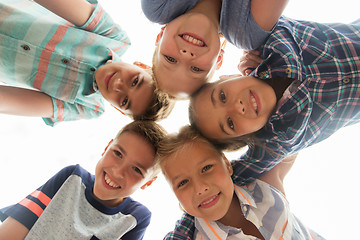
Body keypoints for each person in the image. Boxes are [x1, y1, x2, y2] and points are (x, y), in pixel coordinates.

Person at [189, 16, 360, 184]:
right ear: (247, 137)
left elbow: (251, 17)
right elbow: (224, 182)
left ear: (229, 76)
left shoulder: (268, 40)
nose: (237, 107)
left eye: (222, 96)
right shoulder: (278, 141)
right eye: (230, 123)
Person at [0, 0, 173, 127]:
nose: (118, 85)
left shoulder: (87, 108)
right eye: (135, 81)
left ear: (119, 110)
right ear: (142, 66)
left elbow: (9, 101)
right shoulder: (114, 38)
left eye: (124, 101)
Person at [0, 120, 167, 239]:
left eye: (137, 170)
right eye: (117, 153)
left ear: (148, 182)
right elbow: (12, 231)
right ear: (106, 147)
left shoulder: (135, 218)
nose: (117, 172)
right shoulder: (72, 177)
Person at [158, 125, 325, 239]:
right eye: (182, 183)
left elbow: (295, 135)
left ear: (227, 164)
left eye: (206, 168)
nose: (201, 188)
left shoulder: (264, 186)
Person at [141, 0, 289, 98]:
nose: (186, 55)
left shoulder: (159, 7)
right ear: (219, 60)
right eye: (196, 69)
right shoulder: (246, 33)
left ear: (159, 37)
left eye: (170, 59)